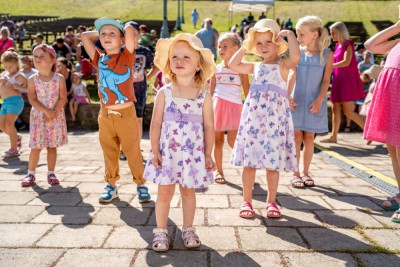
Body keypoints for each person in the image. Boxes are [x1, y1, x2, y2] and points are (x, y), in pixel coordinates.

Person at [143, 33, 216, 251]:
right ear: (169, 64)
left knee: (188, 191)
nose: (180, 61)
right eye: (175, 57)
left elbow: (209, 126)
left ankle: (188, 228)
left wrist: (208, 153)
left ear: (198, 65)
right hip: (168, 152)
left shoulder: (203, 93)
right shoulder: (164, 92)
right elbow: (155, 123)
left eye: (186, 56)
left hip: (192, 153)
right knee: (164, 192)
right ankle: (161, 231)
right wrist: (154, 150)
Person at [229, 19, 300, 218]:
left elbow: (295, 56)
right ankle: (247, 201)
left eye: (268, 41)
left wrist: (290, 35)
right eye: (258, 43)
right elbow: (232, 64)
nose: (263, 47)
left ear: (278, 42)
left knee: (272, 163)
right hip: (254, 120)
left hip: (274, 121)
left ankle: (271, 202)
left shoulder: (283, 64)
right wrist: (245, 45)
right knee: (249, 162)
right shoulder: (255, 66)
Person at [81, 17, 151, 203]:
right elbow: (84, 37)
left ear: (122, 40)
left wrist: (118, 30)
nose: (106, 37)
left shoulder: (127, 56)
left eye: (112, 34)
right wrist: (105, 30)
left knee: (132, 151)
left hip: (126, 114)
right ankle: (111, 185)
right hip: (105, 114)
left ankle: (141, 184)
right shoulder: (99, 59)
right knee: (109, 152)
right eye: (103, 35)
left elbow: (128, 30)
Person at [289, 16, 333, 189]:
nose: (298, 38)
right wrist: (287, 95)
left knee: (309, 137)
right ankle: (295, 173)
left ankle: (305, 172)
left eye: (301, 35)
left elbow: (325, 81)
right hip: (296, 100)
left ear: (314, 35)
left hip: (315, 101)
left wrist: (320, 99)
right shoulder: (297, 53)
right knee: (296, 136)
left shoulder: (327, 54)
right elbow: (292, 74)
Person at [363, 21, 400, 223]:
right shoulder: (396, 44)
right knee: (392, 148)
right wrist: (396, 27)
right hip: (390, 96)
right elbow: (371, 45)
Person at [21, 44, 68, 186]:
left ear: (52, 60)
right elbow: (32, 99)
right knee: (35, 147)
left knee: (51, 146)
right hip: (39, 117)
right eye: (35, 57)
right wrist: (46, 111)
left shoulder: (59, 78)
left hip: (55, 116)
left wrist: (53, 112)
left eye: (42, 56)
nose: (37, 59)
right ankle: (31, 174)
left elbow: (63, 98)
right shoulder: (32, 79)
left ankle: (51, 173)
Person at [211, 32, 249, 184]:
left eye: (225, 46)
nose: (221, 49)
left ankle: (248, 169)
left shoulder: (241, 68)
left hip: (234, 107)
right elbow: (211, 90)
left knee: (234, 141)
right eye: (219, 46)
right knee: (218, 141)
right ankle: (219, 171)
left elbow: (247, 90)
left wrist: (250, 107)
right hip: (218, 107)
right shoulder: (216, 68)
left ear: (235, 49)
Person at [321, 22, 366, 143]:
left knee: (348, 112)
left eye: (333, 33)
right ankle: (333, 137)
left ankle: (368, 131)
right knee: (335, 109)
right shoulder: (337, 46)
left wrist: (330, 66)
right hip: (337, 80)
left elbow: (346, 62)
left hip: (346, 81)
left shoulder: (348, 44)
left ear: (340, 32)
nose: (332, 36)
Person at [120, 21, 155, 161]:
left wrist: (149, 76)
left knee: (138, 121)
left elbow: (156, 65)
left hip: (140, 92)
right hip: (123, 92)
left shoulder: (145, 52)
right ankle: (123, 148)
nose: (132, 35)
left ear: (139, 34)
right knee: (124, 121)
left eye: (134, 32)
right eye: (128, 32)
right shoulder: (121, 51)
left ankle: (135, 148)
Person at [0, 51, 27, 158]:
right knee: (1, 126)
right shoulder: (4, 74)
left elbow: (32, 87)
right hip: (5, 102)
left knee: (9, 124)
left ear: (17, 64)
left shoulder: (19, 75)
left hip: (15, 101)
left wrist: (19, 87)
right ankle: (16, 138)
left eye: (10, 66)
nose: (7, 68)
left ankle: (14, 149)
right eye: (5, 66)